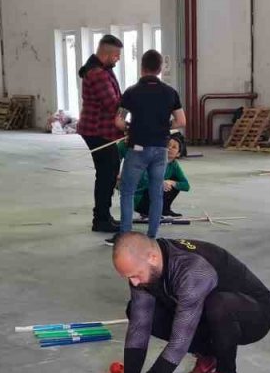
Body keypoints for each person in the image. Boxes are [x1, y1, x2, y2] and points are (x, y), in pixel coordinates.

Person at [110, 233, 270, 373]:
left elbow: (179, 343)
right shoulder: (146, 267)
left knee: (218, 304)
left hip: (254, 316)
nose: (133, 282)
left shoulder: (192, 270)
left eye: (135, 275)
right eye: (128, 277)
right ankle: (209, 356)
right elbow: (139, 329)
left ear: (153, 258)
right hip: (210, 313)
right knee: (136, 310)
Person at [114, 49, 185, 242]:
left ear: (142, 67)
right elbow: (181, 121)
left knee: (127, 191)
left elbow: (119, 121)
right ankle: (152, 236)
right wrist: (163, 126)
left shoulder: (131, 92)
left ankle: (126, 235)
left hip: (137, 148)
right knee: (156, 193)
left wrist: (129, 127)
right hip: (160, 149)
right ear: (160, 69)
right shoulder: (171, 92)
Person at [77, 34, 124, 234]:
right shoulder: (98, 74)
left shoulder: (101, 70)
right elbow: (113, 103)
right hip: (97, 131)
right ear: (105, 54)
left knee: (109, 172)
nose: (118, 59)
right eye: (116, 56)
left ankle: (104, 216)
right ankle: (101, 219)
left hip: (100, 131)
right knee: (106, 174)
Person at [119, 133, 189, 219]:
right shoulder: (153, 156)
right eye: (168, 145)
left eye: (174, 147)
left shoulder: (174, 164)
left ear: (178, 154)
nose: (169, 148)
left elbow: (186, 186)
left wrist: (171, 182)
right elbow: (144, 179)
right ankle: (148, 212)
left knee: (173, 182)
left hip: (152, 193)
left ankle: (164, 209)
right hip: (140, 197)